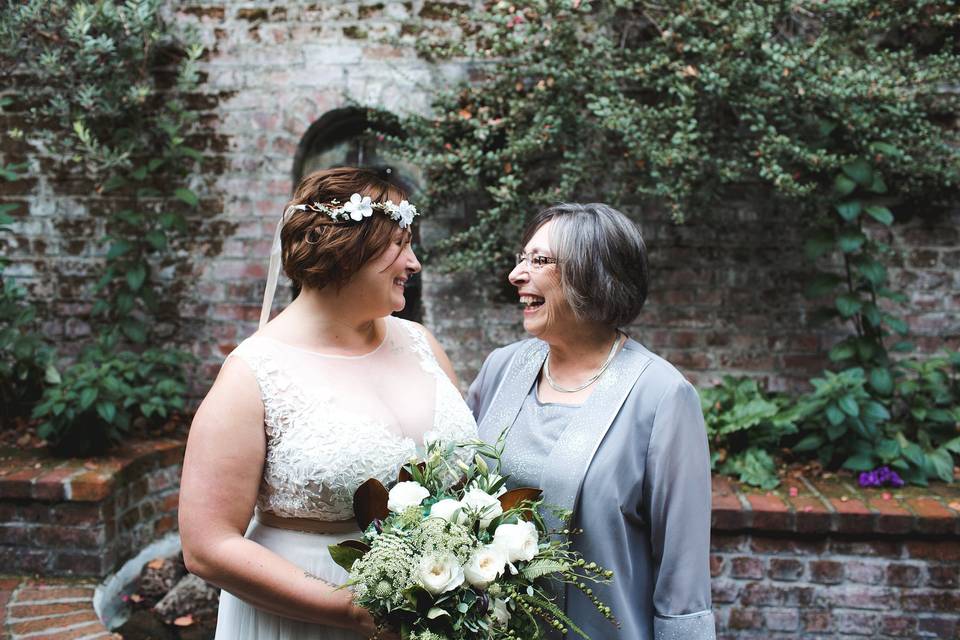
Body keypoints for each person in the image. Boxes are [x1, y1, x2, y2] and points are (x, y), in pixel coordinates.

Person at [179, 167, 478, 639]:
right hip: (307, 614)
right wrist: (352, 609)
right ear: (347, 251)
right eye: (401, 244)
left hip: (437, 609)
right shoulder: (253, 375)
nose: (415, 262)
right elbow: (206, 545)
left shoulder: (422, 342)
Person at [467, 203, 716, 639]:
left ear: (594, 275)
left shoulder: (661, 396)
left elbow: (684, 570)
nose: (516, 274)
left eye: (539, 260)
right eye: (521, 257)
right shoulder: (501, 370)